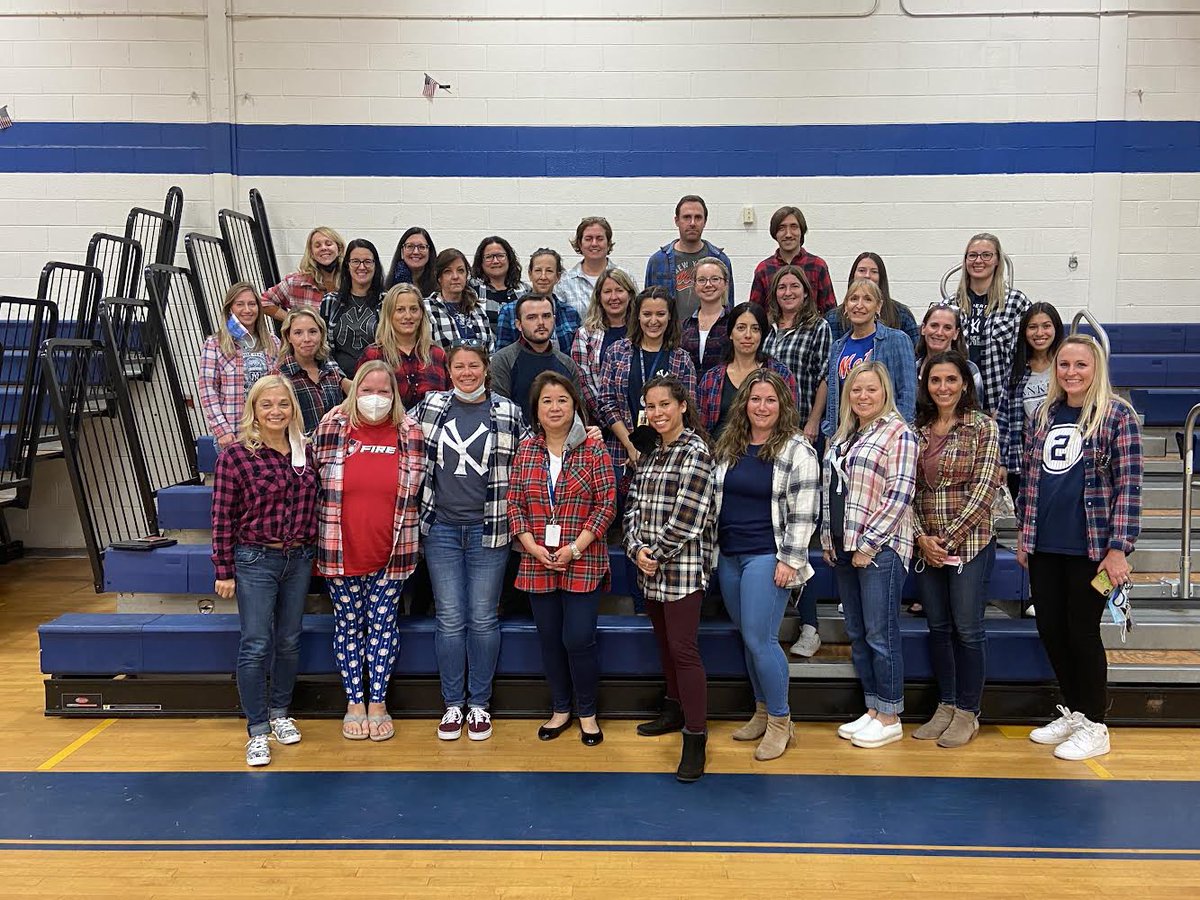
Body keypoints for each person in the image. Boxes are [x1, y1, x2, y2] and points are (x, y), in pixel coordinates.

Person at [1017, 335, 1142, 761]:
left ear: (1096, 369)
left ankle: (1095, 724)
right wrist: (1023, 534)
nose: (1071, 372)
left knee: (1082, 632)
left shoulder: (1117, 416)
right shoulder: (1044, 414)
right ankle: (1073, 712)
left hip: (1094, 550)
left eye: (1080, 365)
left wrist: (1119, 548)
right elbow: (1030, 480)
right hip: (1044, 545)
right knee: (1051, 629)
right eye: (1064, 365)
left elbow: (1129, 486)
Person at [411, 341, 528, 742]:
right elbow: (390, 424)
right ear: (449, 371)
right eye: (459, 367)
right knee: (449, 619)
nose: (466, 373)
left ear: (485, 370)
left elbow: (538, 449)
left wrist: (587, 431)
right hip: (440, 529)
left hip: (489, 530)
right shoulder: (429, 408)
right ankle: (452, 706)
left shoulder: (508, 413)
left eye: (473, 366)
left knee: (482, 618)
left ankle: (478, 704)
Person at [312, 361, 425, 743]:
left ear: (394, 395)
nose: (374, 399)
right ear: (353, 392)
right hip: (340, 549)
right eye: (366, 390)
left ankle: (378, 702)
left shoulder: (411, 432)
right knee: (348, 624)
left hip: (393, 550)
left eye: (383, 391)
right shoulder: (331, 428)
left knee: (382, 624)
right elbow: (308, 475)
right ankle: (354, 703)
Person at [211, 375, 318, 767]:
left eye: (283, 404)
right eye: (267, 405)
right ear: (253, 410)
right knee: (256, 643)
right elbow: (222, 517)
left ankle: (280, 713)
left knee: (289, 640)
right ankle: (257, 729)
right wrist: (224, 568)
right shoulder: (235, 456)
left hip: (299, 558)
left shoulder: (306, 452)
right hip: (255, 559)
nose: (276, 412)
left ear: (294, 409)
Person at [713, 370, 819, 761]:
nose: (762, 407)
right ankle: (761, 710)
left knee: (762, 641)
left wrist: (790, 560)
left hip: (767, 556)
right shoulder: (730, 445)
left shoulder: (797, 450)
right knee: (748, 639)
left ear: (783, 405)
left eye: (770, 400)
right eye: (755, 399)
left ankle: (780, 721)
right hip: (729, 556)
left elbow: (806, 512)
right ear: (745, 404)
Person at [507, 372, 616, 746]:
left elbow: (606, 506)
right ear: (536, 411)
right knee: (549, 639)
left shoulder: (594, 449)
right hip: (537, 559)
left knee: (578, 638)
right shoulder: (526, 451)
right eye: (547, 401)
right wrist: (533, 547)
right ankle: (560, 708)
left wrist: (575, 548)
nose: (555, 407)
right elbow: (515, 505)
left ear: (575, 406)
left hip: (582, 558)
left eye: (562, 400)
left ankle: (587, 711)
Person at [624, 375, 717, 783]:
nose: (658, 413)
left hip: (680, 571)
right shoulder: (651, 454)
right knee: (663, 644)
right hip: (650, 567)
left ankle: (695, 737)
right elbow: (632, 508)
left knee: (683, 650)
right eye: (651, 407)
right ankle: (672, 707)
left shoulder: (695, 452)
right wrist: (636, 550)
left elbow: (689, 518)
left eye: (665, 405)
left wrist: (654, 554)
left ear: (682, 406)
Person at [824, 362, 917, 749]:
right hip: (844, 547)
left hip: (879, 550)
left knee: (881, 634)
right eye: (856, 390)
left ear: (885, 393)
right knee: (859, 634)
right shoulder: (845, 435)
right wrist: (830, 540)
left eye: (871, 390)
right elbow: (833, 490)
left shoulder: (899, 433)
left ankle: (891, 714)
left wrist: (868, 544)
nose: (863, 396)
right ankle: (873, 707)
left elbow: (899, 494)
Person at [911, 351, 1001, 748]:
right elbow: (906, 490)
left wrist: (946, 539)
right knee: (939, 628)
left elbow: (985, 490)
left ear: (964, 383)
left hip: (969, 543)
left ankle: (968, 710)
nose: (943, 387)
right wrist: (920, 538)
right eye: (935, 381)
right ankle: (945, 705)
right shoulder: (918, 428)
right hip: (926, 545)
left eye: (950, 380)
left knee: (967, 629)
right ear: (926, 386)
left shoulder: (983, 427)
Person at [598, 287, 698, 484]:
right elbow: (606, 404)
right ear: (637, 317)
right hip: (621, 453)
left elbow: (687, 409)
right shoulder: (617, 352)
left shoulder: (682, 360)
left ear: (670, 317)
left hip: (667, 455)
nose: (653, 321)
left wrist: (656, 449)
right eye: (647, 314)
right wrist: (631, 445)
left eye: (660, 314)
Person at [949, 232, 1032, 416]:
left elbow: (1029, 354)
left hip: (1002, 403)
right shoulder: (950, 305)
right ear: (965, 261)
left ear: (997, 261)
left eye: (986, 255)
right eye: (973, 255)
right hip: (959, 403)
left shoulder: (1016, 302)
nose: (979, 260)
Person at [822, 280, 916, 437]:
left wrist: (896, 433)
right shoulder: (838, 347)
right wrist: (831, 437)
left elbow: (907, 394)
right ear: (846, 306)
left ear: (878, 306)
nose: (859, 305)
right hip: (847, 434)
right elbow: (834, 400)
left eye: (867, 299)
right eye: (853, 299)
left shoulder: (897, 340)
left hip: (885, 433)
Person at [199, 281, 281, 450]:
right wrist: (222, 430)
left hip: (267, 433)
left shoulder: (272, 342)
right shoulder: (215, 344)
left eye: (252, 304)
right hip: (233, 435)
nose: (247, 310)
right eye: (240, 304)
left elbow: (279, 387)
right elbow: (208, 390)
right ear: (230, 309)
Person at [696, 302, 797, 439]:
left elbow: (789, 423)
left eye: (755, 329)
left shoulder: (781, 375)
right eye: (741, 328)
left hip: (768, 454)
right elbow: (701, 430)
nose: (748, 335)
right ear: (730, 333)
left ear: (762, 335)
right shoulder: (711, 379)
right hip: (718, 455)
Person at [997, 301, 1064, 501]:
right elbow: (1003, 420)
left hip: (1061, 453)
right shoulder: (1016, 371)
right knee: (1026, 519)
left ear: (1056, 329)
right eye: (1032, 327)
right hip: (1025, 457)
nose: (1039, 333)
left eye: (1046, 326)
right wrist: (1001, 462)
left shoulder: (1066, 367)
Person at [762, 265, 830, 446]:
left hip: (800, 423)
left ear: (806, 292)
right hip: (766, 422)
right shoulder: (766, 327)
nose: (788, 292)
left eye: (795, 286)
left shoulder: (818, 327)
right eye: (782, 287)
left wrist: (814, 421)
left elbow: (825, 377)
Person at [491, 294, 582, 422]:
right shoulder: (503, 360)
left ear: (554, 320)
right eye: (532, 317)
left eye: (546, 316)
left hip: (562, 439)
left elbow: (578, 414)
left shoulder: (567, 363)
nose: (541, 323)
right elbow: (500, 414)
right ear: (518, 324)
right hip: (518, 439)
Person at [358, 283, 449, 410]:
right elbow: (359, 400)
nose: (408, 316)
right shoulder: (373, 355)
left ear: (422, 313)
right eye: (400, 310)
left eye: (414, 309)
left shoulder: (437, 354)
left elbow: (451, 401)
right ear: (389, 314)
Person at [644, 194, 734, 321]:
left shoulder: (720, 261)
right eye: (686, 217)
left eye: (698, 217)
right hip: (670, 337)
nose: (692, 223)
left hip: (711, 335)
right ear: (676, 221)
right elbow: (647, 305)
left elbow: (728, 305)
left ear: (705, 222)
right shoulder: (657, 261)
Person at [570, 267, 637, 429]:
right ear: (599, 297)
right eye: (607, 292)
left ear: (630, 294)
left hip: (641, 418)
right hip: (603, 426)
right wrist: (612, 420)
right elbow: (584, 382)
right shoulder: (585, 335)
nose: (613, 297)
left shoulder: (642, 330)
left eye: (619, 290)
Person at [748, 205, 835, 313]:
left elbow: (830, 311)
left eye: (794, 227)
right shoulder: (763, 269)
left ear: (801, 231)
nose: (788, 234)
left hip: (812, 329)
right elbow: (755, 313)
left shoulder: (817, 265)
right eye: (781, 228)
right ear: (775, 234)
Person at [495, 248, 582, 353]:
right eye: (538, 271)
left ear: (558, 276)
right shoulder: (509, 312)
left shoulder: (570, 313)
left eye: (549, 271)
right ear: (530, 274)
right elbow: (502, 356)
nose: (543, 277)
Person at [276, 308, 348, 434]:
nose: (307, 339)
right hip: (301, 450)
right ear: (288, 337)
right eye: (298, 333)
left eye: (313, 332)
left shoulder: (331, 370)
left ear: (321, 334)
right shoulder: (279, 377)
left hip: (336, 447)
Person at [319, 238, 384, 376]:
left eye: (367, 261)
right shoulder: (330, 301)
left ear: (376, 266)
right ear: (347, 266)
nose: (361, 267)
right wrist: (341, 380)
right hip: (339, 381)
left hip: (379, 379)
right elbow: (322, 347)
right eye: (355, 261)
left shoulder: (387, 301)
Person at [826, 253, 918, 346]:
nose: (867, 275)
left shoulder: (902, 315)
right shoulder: (833, 318)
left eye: (874, 272)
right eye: (862, 270)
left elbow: (915, 352)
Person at [260, 226, 345, 322]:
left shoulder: (352, 282)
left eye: (328, 244)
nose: (324, 248)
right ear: (311, 253)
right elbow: (263, 301)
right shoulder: (295, 283)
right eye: (317, 246)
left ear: (339, 248)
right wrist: (292, 321)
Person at [556, 217, 635, 319]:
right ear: (580, 243)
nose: (594, 244)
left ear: (608, 242)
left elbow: (635, 312)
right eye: (588, 239)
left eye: (600, 239)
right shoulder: (564, 282)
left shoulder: (626, 276)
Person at [915, 302, 986, 408]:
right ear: (923, 328)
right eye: (934, 325)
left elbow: (975, 411)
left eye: (947, 328)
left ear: (956, 333)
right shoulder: (912, 369)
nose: (939, 332)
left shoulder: (970, 370)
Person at [425, 248, 494, 352]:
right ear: (439, 277)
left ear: (466, 275)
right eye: (448, 272)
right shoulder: (427, 309)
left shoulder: (478, 310)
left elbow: (490, 351)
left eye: (460, 270)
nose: (455, 277)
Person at [679, 257, 733, 375]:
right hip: (689, 391)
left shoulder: (734, 323)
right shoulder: (685, 326)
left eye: (715, 279)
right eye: (702, 280)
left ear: (725, 284)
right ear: (694, 286)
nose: (708, 285)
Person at [470, 235, 530, 327]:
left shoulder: (525, 291)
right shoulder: (472, 289)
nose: (495, 261)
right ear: (480, 261)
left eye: (500, 256)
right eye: (489, 257)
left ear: (509, 259)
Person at [385, 226, 437, 297]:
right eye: (410, 246)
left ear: (430, 252)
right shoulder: (388, 288)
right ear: (402, 251)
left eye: (422, 247)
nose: (416, 252)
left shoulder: (440, 285)